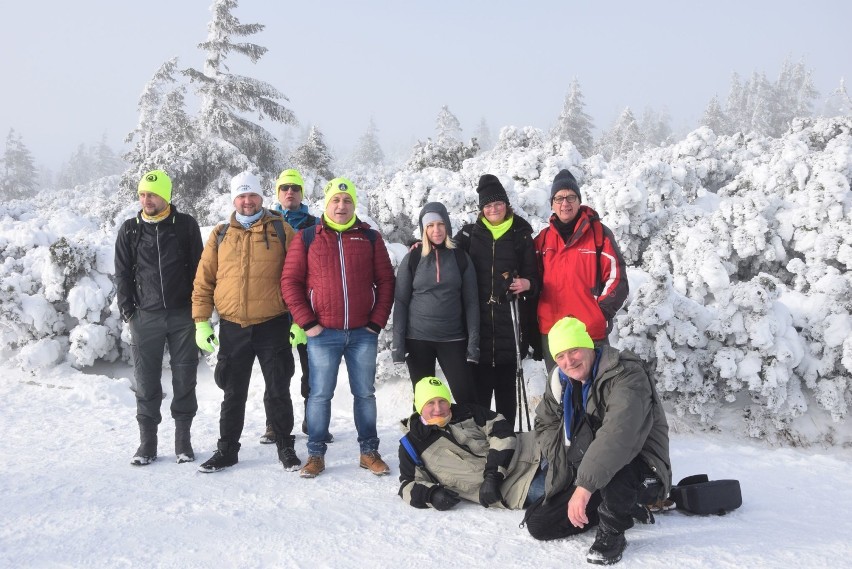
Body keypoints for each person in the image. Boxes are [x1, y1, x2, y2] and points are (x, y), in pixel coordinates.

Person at [524, 316, 671, 565]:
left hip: (640, 463)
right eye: (560, 355)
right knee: (539, 523)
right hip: (592, 463)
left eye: (574, 351)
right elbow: (544, 423)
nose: (568, 361)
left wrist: (584, 488)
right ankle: (627, 504)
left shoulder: (626, 374)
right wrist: (564, 456)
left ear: (589, 346)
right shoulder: (559, 380)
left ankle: (612, 531)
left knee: (617, 470)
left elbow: (618, 436)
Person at [281, 177, 395, 479]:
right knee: (319, 395)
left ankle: (369, 451)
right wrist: (308, 324)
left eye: (347, 201)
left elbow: (386, 282)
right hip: (323, 333)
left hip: (362, 334)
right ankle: (315, 455)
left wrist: (376, 322)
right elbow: (290, 282)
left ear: (354, 205)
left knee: (365, 394)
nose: (341, 206)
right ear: (327, 204)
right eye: (336, 200)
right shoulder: (307, 237)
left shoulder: (370, 238)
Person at [192, 171, 302, 473]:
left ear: (261, 197)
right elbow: (204, 281)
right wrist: (201, 321)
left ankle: (286, 447)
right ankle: (227, 450)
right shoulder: (220, 234)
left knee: (279, 389)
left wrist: (300, 321)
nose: (247, 201)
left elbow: (300, 277)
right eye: (241, 196)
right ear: (234, 200)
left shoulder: (281, 229)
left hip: (273, 323)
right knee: (233, 392)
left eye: (252, 195)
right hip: (232, 326)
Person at [114, 169, 204, 466]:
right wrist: (129, 311)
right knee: (146, 380)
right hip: (146, 317)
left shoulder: (185, 225)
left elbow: (198, 269)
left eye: (152, 194)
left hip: (182, 317)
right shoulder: (130, 229)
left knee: (185, 378)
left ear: (166, 196)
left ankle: (183, 442)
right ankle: (147, 444)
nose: (146, 199)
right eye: (142, 194)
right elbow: (123, 273)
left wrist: (197, 309)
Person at [454, 174, 539, 427]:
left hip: (510, 325)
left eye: (498, 203)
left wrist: (527, 283)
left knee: (506, 394)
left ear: (506, 204)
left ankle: (507, 444)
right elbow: (443, 251)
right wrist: (418, 244)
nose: (494, 209)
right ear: (481, 209)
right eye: (488, 205)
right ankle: (483, 445)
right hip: (478, 327)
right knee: (479, 394)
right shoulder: (469, 235)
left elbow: (536, 278)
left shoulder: (521, 235)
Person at [398, 376, 541, 511]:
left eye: (442, 401)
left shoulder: (467, 412)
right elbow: (407, 485)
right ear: (419, 406)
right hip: (517, 485)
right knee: (557, 492)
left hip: (535, 449)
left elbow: (501, 429)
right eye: (430, 403)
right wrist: (431, 495)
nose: (438, 408)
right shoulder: (412, 444)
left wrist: (492, 474)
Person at [534, 169, 628, 372]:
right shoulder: (543, 240)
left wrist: (598, 313)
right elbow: (530, 278)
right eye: (559, 198)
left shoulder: (598, 234)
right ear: (552, 204)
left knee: (599, 394)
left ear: (579, 201)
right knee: (560, 395)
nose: (565, 203)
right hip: (554, 333)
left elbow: (617, 277)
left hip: (590, 332)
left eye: (570, 197)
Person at [256, 168, 324, 444]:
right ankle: (275, 423)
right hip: (276, 308)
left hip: (309, 308)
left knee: (313, 370)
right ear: (277, 192)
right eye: (284, 187)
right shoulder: (265, 222)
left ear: (301, 193)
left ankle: (314, 420)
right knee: (276, 371)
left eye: (295, 188)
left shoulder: (316, 224)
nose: (289, 192)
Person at [392, 202, 479, 405]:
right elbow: (401, 301)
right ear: (424, 229)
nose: (436, 230)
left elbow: (471, 303)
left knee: (465, 397)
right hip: (417, 340)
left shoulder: (460, 257)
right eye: (430, 226)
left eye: (440, 224)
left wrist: (473, 343)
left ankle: (468, 435)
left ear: (447, 225)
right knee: (424, 400)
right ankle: (424, 437)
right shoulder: (413, 257)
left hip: (453, 339)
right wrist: (398, 344)